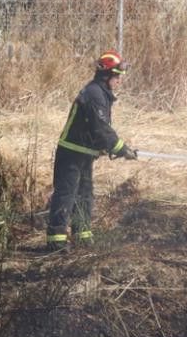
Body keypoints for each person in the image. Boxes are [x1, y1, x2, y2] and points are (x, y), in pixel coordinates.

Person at [45, 51, 137, 250]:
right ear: (107, 75)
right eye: (117, 76)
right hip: (71, 153)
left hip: (84, 152)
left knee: (84, 195)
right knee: (66, 194)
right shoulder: (95, 94)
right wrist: (121, 148)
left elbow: (96, 129)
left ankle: (82, 235)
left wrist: (109, 147)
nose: (119, 80)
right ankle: (56, 241)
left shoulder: (100, 92)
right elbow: (100, 128)